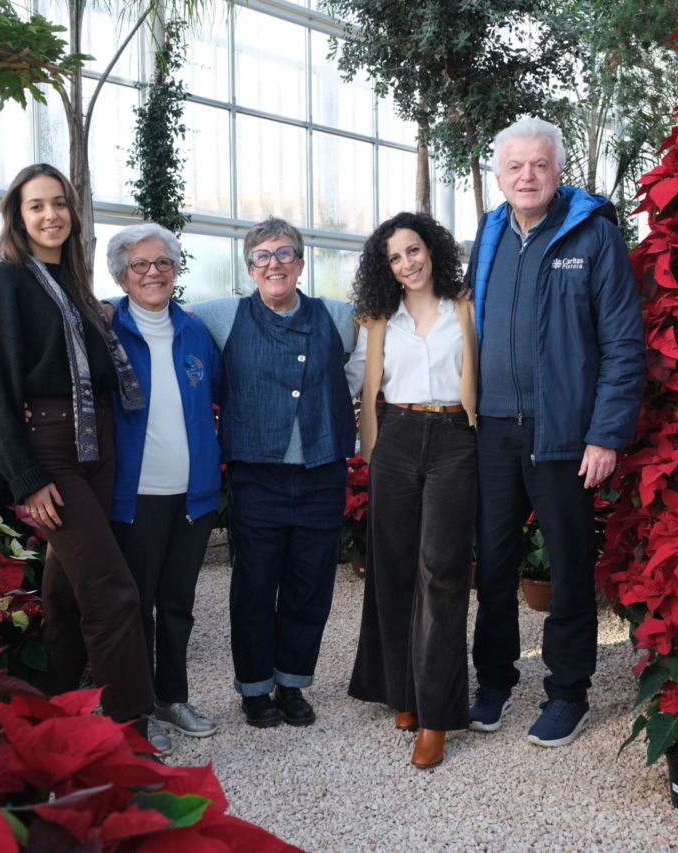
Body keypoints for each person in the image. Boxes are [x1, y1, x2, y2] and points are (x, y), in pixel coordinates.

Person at [466, 118, 645, 748]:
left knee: (569, 567)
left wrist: (605, 436)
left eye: (538, 165)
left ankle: (567, 690)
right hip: (491, 429)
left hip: (564, 435)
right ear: (498, 175)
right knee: (491, 565)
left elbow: (623, 344)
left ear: (558, 170)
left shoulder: (592, 237)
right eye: (514, 167)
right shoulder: (488, 236)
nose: (527, 177)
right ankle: (493, 680)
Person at [0, 163, 156, 741]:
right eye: (36, 206)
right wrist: (26, 476)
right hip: (51, 450)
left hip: (96, 443)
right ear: (18, 217)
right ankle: (131, 736)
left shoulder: (74, 288)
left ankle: (52, 718)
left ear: (73, 214)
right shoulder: (5, 284)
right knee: (111, 590)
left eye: (59, 204)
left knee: (67, 591)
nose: (50, 215)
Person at [189, 217, 356, 728]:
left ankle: (292, 684)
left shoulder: (339, 315)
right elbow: (155, 308)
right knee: (255, 586)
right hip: (256, 475)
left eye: (284, 254)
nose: (274, 264)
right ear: (249, 267)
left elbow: (395, 318)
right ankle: (255, 689)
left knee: (310, 587)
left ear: (301, 263)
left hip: (321, 473)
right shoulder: (222, 316)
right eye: (262, 256)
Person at [344, 212, 478, 769]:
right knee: (394, 567)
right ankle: (400, 690)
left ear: (433, 250)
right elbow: (354, 377)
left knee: (441, 573)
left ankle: (435, 714)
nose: (408, 263)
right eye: (395, 257)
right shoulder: (376, 321)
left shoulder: (466, 308)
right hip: (396, 437)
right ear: (387, 269)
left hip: (454, 438)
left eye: (415, 250)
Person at [105, 223, 224, 754]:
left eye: (164, 263)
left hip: (193, 495)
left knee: (178, 602)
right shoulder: (106, 329)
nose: (154, 273)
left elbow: (214, 392)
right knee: (137, 606)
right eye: (141, 265)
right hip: (136, 496)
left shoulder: (194, 331)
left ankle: (171, 698)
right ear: (122, 275)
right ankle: (134, 710)